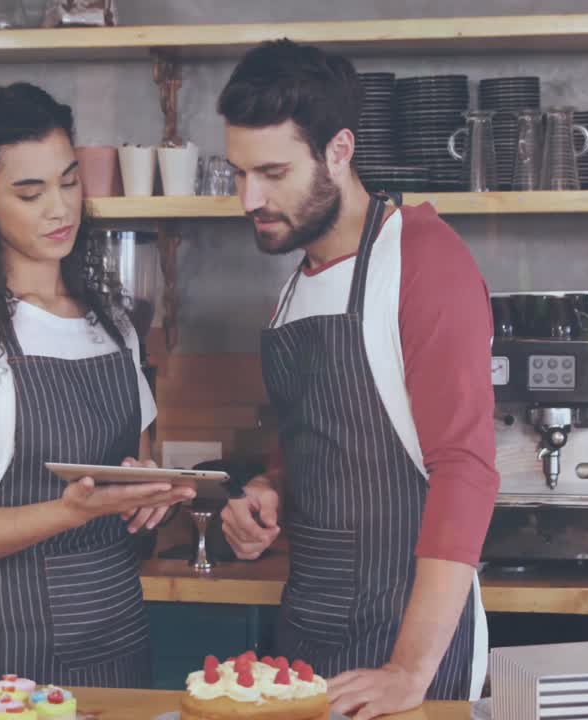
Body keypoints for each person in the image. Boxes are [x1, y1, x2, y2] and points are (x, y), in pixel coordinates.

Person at [216, 41, 500, 719]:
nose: (250, 198)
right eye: (238, 173)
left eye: (273, 172)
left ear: (339, 150)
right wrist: (268, 491)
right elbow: (316, 443)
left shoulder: (423, 259)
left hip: (408, 644)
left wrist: (409, 670)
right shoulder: (295, 287)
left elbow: (465, 468)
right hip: (307, 633)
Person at [0, 82, 195, 688]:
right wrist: (68, 511)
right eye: (30, 193)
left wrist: (151, 497)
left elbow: (131, 476)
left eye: (69, 181)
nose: (60, 209)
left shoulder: (113, 324)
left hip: (120, 632)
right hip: (8, 649)